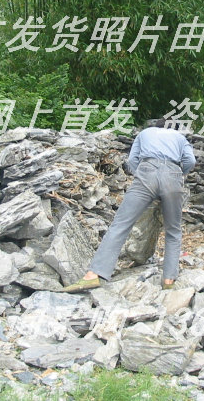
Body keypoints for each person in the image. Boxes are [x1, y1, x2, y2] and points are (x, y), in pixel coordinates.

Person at [63, 119, 196, 293]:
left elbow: (132, 160)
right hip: (173, 174)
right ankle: (168, 280)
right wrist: (179, 175)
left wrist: (142, 177)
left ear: (155, 126)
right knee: (173, 230)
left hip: (147, 171)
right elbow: (190, 161)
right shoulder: (179, 137)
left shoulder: (144, 133)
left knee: (120, 224)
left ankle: (93, 275)